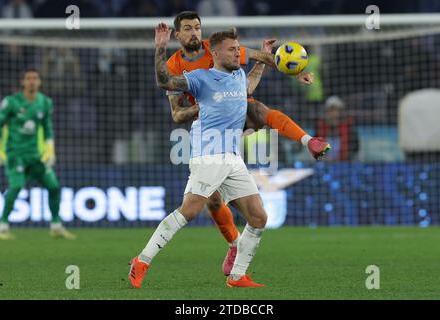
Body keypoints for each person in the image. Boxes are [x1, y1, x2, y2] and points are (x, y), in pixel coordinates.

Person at [164, 11, 330, 277]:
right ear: (177, 35)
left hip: (237, 109)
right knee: (213, 202)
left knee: (260, 110)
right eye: (187, 28)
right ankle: (233, 244)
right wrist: (206, 105)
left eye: (197, 27)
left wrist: (296, 70)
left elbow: (263, 56)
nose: (194, 32)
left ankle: (308, 140)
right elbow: (176, 114)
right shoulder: (173, 66)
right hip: (208, 131)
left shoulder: (217, 48)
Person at [129, 25, 273, 289]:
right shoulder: (199, 78)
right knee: (190, 210)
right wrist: (160, 47)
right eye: (232, 50)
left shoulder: (239, 76)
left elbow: (250, 85)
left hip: (232, 156)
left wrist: (264, 57)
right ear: (215, 53)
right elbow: (165, 82)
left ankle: (237, 276)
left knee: (259, 217)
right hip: (208, 153)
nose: (237, 53)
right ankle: (142, 261)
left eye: (238, 49)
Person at [0, 68, 76, 240]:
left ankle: (56, 226)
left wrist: (50, 152)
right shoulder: (11, 102)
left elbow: (48, 129)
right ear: (23, 82)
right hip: (15, 154)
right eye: (28, 78)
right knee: (16, 186)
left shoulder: (45, 102)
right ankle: (2, 226)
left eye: (35, 78)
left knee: (54, 187)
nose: (32, 81)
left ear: (39, 82)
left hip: (35, 156)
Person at [314, 95, 359, 161]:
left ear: (340, 112)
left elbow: (355, 148)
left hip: (345, 163)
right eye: (330, 110)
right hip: (325, 163)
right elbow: (314, 148)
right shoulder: (320, 127)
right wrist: (323, 157)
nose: (333, 113)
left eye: (335, 110)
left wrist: (346, 158)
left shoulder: (349, 127)